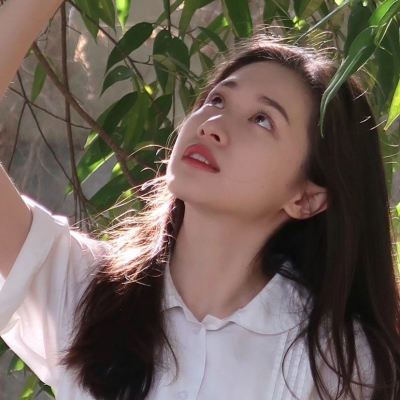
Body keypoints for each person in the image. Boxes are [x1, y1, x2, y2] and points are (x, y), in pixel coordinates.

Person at [0, 1, 399, 400]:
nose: (213, 126)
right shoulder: (86, 288)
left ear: (307, 198)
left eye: (262, 120)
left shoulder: (333, 360)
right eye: (217, 101)